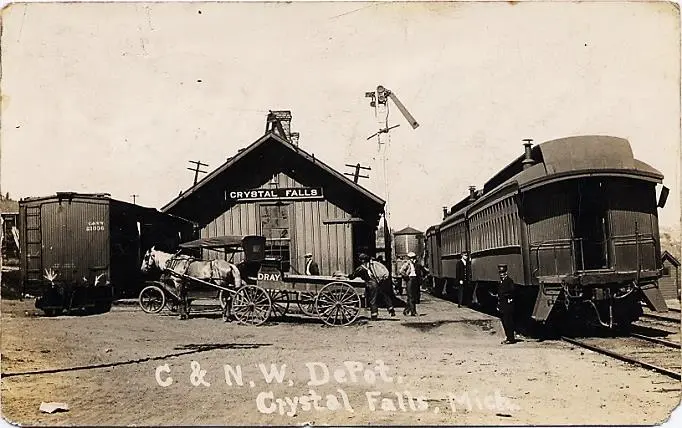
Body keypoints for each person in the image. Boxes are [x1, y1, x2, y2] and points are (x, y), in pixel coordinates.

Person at [348, 253, 395, 320]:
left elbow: (353, 276)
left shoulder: (361, 268)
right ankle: (391, 309)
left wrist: (347, 276)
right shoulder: (371, 265)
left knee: (372, 300)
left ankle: (374, 315)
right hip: (378, 283)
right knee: (384, 296)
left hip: (371, 285)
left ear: (362, 260)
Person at [399, 252, 427, 316]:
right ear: (409, 258)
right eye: (411, 258)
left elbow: (421, 271)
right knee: (411, 296)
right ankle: (413, 312)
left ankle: (406, 310)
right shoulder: (407, 264)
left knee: (413, 296)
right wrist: (406, 276)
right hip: (410, 280)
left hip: (415, 280)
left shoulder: (416, 264)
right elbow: (401, 271)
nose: (412, 259)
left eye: (413, 258)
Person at [497, 264, 517, 344]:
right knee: (505, 322)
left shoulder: (509, 281)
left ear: (506, 272)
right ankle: (508, 337)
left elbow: (512, 292)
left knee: (508, 321)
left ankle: (510, 338)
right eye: (500, 272)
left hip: (507, 304)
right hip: (502, 304)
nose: (501, 274)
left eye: (503, 272)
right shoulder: (501, 282)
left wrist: (508, 298)